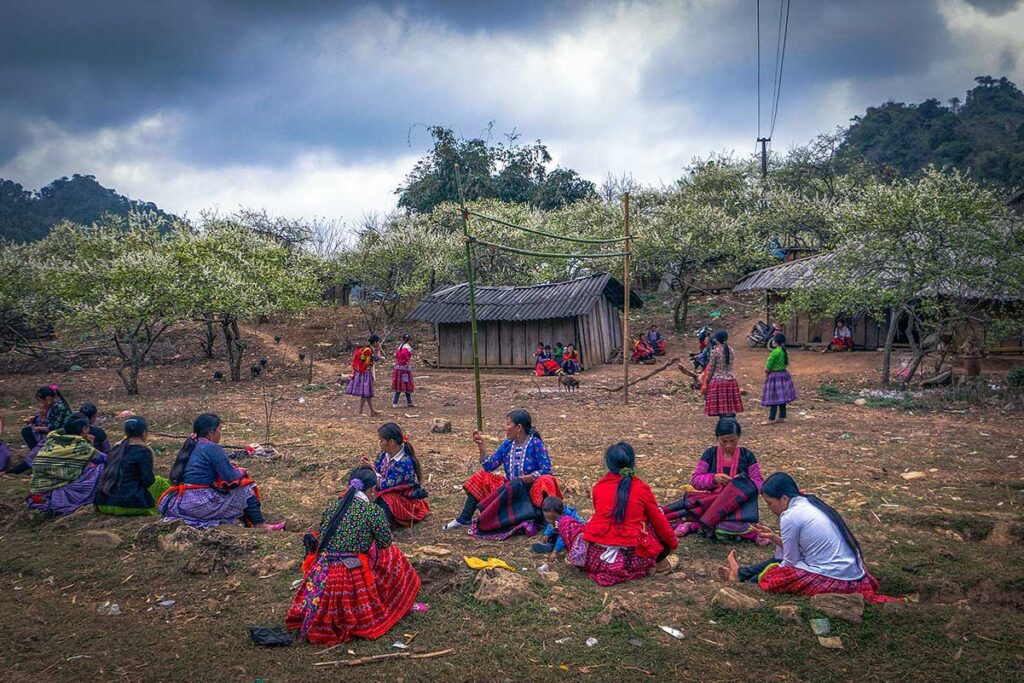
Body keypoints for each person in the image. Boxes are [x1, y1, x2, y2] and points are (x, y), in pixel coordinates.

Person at [286, 467, 421, 645]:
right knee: (392, 554)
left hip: (321, 574)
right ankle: (401, 602)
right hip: (349, 574)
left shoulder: (333, 508)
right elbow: (384, 543)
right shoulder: (373, 512)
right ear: (372, 490)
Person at [719, 472, 901, 603]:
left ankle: (740, 576)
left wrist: (768, 573)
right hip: (853, 574)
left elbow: (789, 562)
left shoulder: (789, 516)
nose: (770, 509)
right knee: (777, 564)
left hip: (835, 578)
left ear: (783, 499)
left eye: (770, 503)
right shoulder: (808, 502)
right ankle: (740, 573)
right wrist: (774, 537)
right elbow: (794, 553)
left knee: (776, 574)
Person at [557, 442, 677, 586]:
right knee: (650, 521)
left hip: (594, 558)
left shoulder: (599, 488)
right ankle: (662, 564)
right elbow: (660, 522)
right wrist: (671, 545)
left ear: (608, 464)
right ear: (632, 462)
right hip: (633, 561)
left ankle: (577, 558)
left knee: (566, 521)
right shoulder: (641, 488)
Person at [442, 409, 560, 538]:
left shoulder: (536, 444)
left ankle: (547, 521)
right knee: (481, 477)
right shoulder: (507, 445)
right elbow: (489, 466)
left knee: (546, 480)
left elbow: (547, 469)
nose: (505, 428)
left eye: (508, 424)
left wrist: (530, 477)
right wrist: (481, 446)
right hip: (510, 490)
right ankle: (464, 517)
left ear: (519, 428)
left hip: (531, 492)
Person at [158, 413, 284, 530]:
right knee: (246, 487)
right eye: (220, 429)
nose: (220, 433)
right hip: (200, 502)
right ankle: (260, 524)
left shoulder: (191, 446)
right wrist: (240, 471)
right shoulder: (213, 448)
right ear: (211, 432)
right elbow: (230, 477)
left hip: (181, 502)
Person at [662, 418, 766, 544]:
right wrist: (713, 479)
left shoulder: (747, 456)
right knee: (698, 507)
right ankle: (745, 532)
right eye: (724, 441)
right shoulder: (710, 454)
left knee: (725, 515)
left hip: (736, 502)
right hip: (712, 499)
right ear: (717, 438)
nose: (728, 445)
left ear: (738, 437)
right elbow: (695, 479)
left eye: (732, 441)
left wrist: (742, 484)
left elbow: (759, 482)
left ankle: (694, 525)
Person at [26, 416, 105, 515]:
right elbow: (104, 459)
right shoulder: (81, 446)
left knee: (86, 465)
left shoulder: (52, 440)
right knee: (101, 468)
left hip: (37, 492)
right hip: (57, 494)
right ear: (84, 429)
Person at [95, 416, 171, 516]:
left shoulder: (115, 449)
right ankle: (175, 505)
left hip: (103, 504)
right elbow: (148, 481)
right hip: (130, 505)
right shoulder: (143, 451)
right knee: (160, 482)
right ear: (144, 433)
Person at [361, 422, 429, 528]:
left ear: (391, 442)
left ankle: (381, 528)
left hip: (403, 500)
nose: (379, 443)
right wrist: (368, 468)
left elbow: (386, 485)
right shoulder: (384, 455)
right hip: (384, 490)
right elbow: (377, 472)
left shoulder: (404, 463)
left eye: (381, 440)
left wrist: (370, 469)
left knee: (386, 499)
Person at [10, 385, 73, 474]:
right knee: (27, 431)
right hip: (53, 431)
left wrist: (40, 428)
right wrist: (36, 419)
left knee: (36, 450)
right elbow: (47, 418)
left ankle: (20, 469)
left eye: (42, 401)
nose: (42, 403)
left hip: (60, 434)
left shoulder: (59, 407)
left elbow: (55, 427)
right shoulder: (53, 404)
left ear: (47, 398)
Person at [704, 330, 743, 417]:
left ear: (716, 339)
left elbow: (711, 369)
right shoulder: (731, 350)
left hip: (718, 381)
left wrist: (706, 382)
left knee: (721, 408)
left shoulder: (715, 351)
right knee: (729, 406)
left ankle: (723, 425)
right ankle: (732, 424)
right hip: (731, 380)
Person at [761, 333, 798, 425]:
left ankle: (771, 418)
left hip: (774, 376)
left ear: (775, 341)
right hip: (784, 375)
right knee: (782, 397)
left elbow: (768, 366)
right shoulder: (784, 351)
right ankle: (782, 416)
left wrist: (766, 373)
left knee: (773, 397)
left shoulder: (775, 352)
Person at [532, 495, 584, 560]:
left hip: (575, 534)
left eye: (552, 518)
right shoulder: (555, 516)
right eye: (547, 518)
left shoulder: (566, 521)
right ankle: (549, 544)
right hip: (560, 529)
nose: (550, 520)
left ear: (561, 513)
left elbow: (562, 536)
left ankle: (554, 546)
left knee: (566, 541)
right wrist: (547, 533)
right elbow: (550, 524)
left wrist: (555, 551)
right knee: (552, 532)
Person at [347, 334, 381, 417]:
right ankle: (360, 412)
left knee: (368, 393)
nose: (378, 344)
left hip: (363, 372)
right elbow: (377, 359)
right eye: (378, 342)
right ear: (375, 342)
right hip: (364, 373)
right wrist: (379, 350)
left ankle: (372, 411)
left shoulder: (367, 349)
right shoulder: (368, 350)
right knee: (365, 394)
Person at [391, 334, 416, 409]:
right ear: (409, 339)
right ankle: (408, 402)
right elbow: (405, 354)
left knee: (399, 385)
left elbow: (397, 355)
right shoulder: (407, 347)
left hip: (399, 367)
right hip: (405, 368)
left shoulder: (400, 346)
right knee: (406, 384)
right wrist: (407, 360)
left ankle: (396, 402)